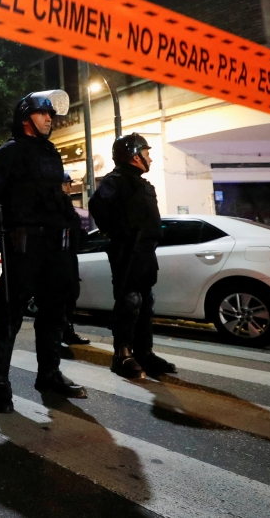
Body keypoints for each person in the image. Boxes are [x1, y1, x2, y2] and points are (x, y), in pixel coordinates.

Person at [0, 91, 88, 415]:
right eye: (43, 114)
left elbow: (56, 199)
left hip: (54, 245)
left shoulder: (51, 154)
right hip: (24, 244)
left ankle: (49, 375)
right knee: (10, 314)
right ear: (27, 117)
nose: (50, 120)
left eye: (51, 115)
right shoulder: (9, 152)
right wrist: (11, 227)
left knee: (54, 311)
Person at [88, 133, 176, 379]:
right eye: (147, 154)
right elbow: (96, 205)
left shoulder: (142, 183)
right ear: (135, 156)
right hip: (128, 251)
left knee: (146, 303)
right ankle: (122, 354)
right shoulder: (115, 180)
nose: (150, 159)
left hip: (146, 252)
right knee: (129, 302)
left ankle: (144, 353)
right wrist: (120, 231)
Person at [61, 173, 90, 346]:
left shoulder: (68, 206)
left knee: (71, 296)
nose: (70, 187)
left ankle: (67, 331)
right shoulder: (54, 206)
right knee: (60, 299)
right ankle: (59, 334)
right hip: (58, 258)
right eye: (66, 184)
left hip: (70, 256)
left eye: (70, 184)